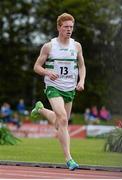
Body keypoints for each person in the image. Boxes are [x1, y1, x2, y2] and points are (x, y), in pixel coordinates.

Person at [30, 13, 86, 170]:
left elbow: (81, 66)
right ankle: (69, 159)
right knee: (62, 119)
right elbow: (36, 66)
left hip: (70, 88)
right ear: (58, 27)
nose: (69, 30)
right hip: (53, 87)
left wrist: (81, 81)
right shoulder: (49, 46)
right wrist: (47, 73)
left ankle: (40, 109)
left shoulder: (76, 46)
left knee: (61, 122)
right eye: (66, 27)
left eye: (71, 27)